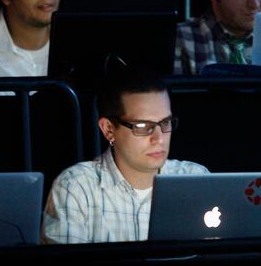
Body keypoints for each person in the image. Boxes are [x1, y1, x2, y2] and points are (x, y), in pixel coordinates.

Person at [41, 68, 207, 243]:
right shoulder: (76, 187)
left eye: (165, 123)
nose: (158, 138)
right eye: (143, 126)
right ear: (109, 130)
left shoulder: (196, 178)